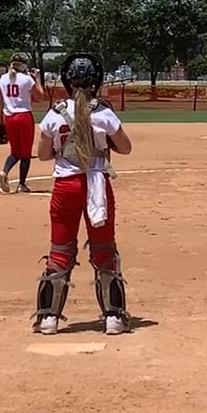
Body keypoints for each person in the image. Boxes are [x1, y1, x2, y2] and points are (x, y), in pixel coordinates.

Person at [33, 54, 135, 337]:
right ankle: (113, 317)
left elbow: (43, 155)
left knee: (60, 249)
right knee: (104, 249)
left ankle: (49, 318)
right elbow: (126, 148)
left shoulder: (54, 113)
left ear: (67, 80)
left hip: (65, 187)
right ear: (96, 81)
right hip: (97, 186)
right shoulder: (103, 113)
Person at [0, 54, 45, 194]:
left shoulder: (3, 78)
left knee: (15, 152)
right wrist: (37, 79)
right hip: (24, 117)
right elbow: (40, 97)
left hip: (9, 118)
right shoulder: (27, 79)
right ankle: (21, 184)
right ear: (23, 65)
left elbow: (0, 102)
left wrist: (0, 121)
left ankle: (4, 172)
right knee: (25, 153)